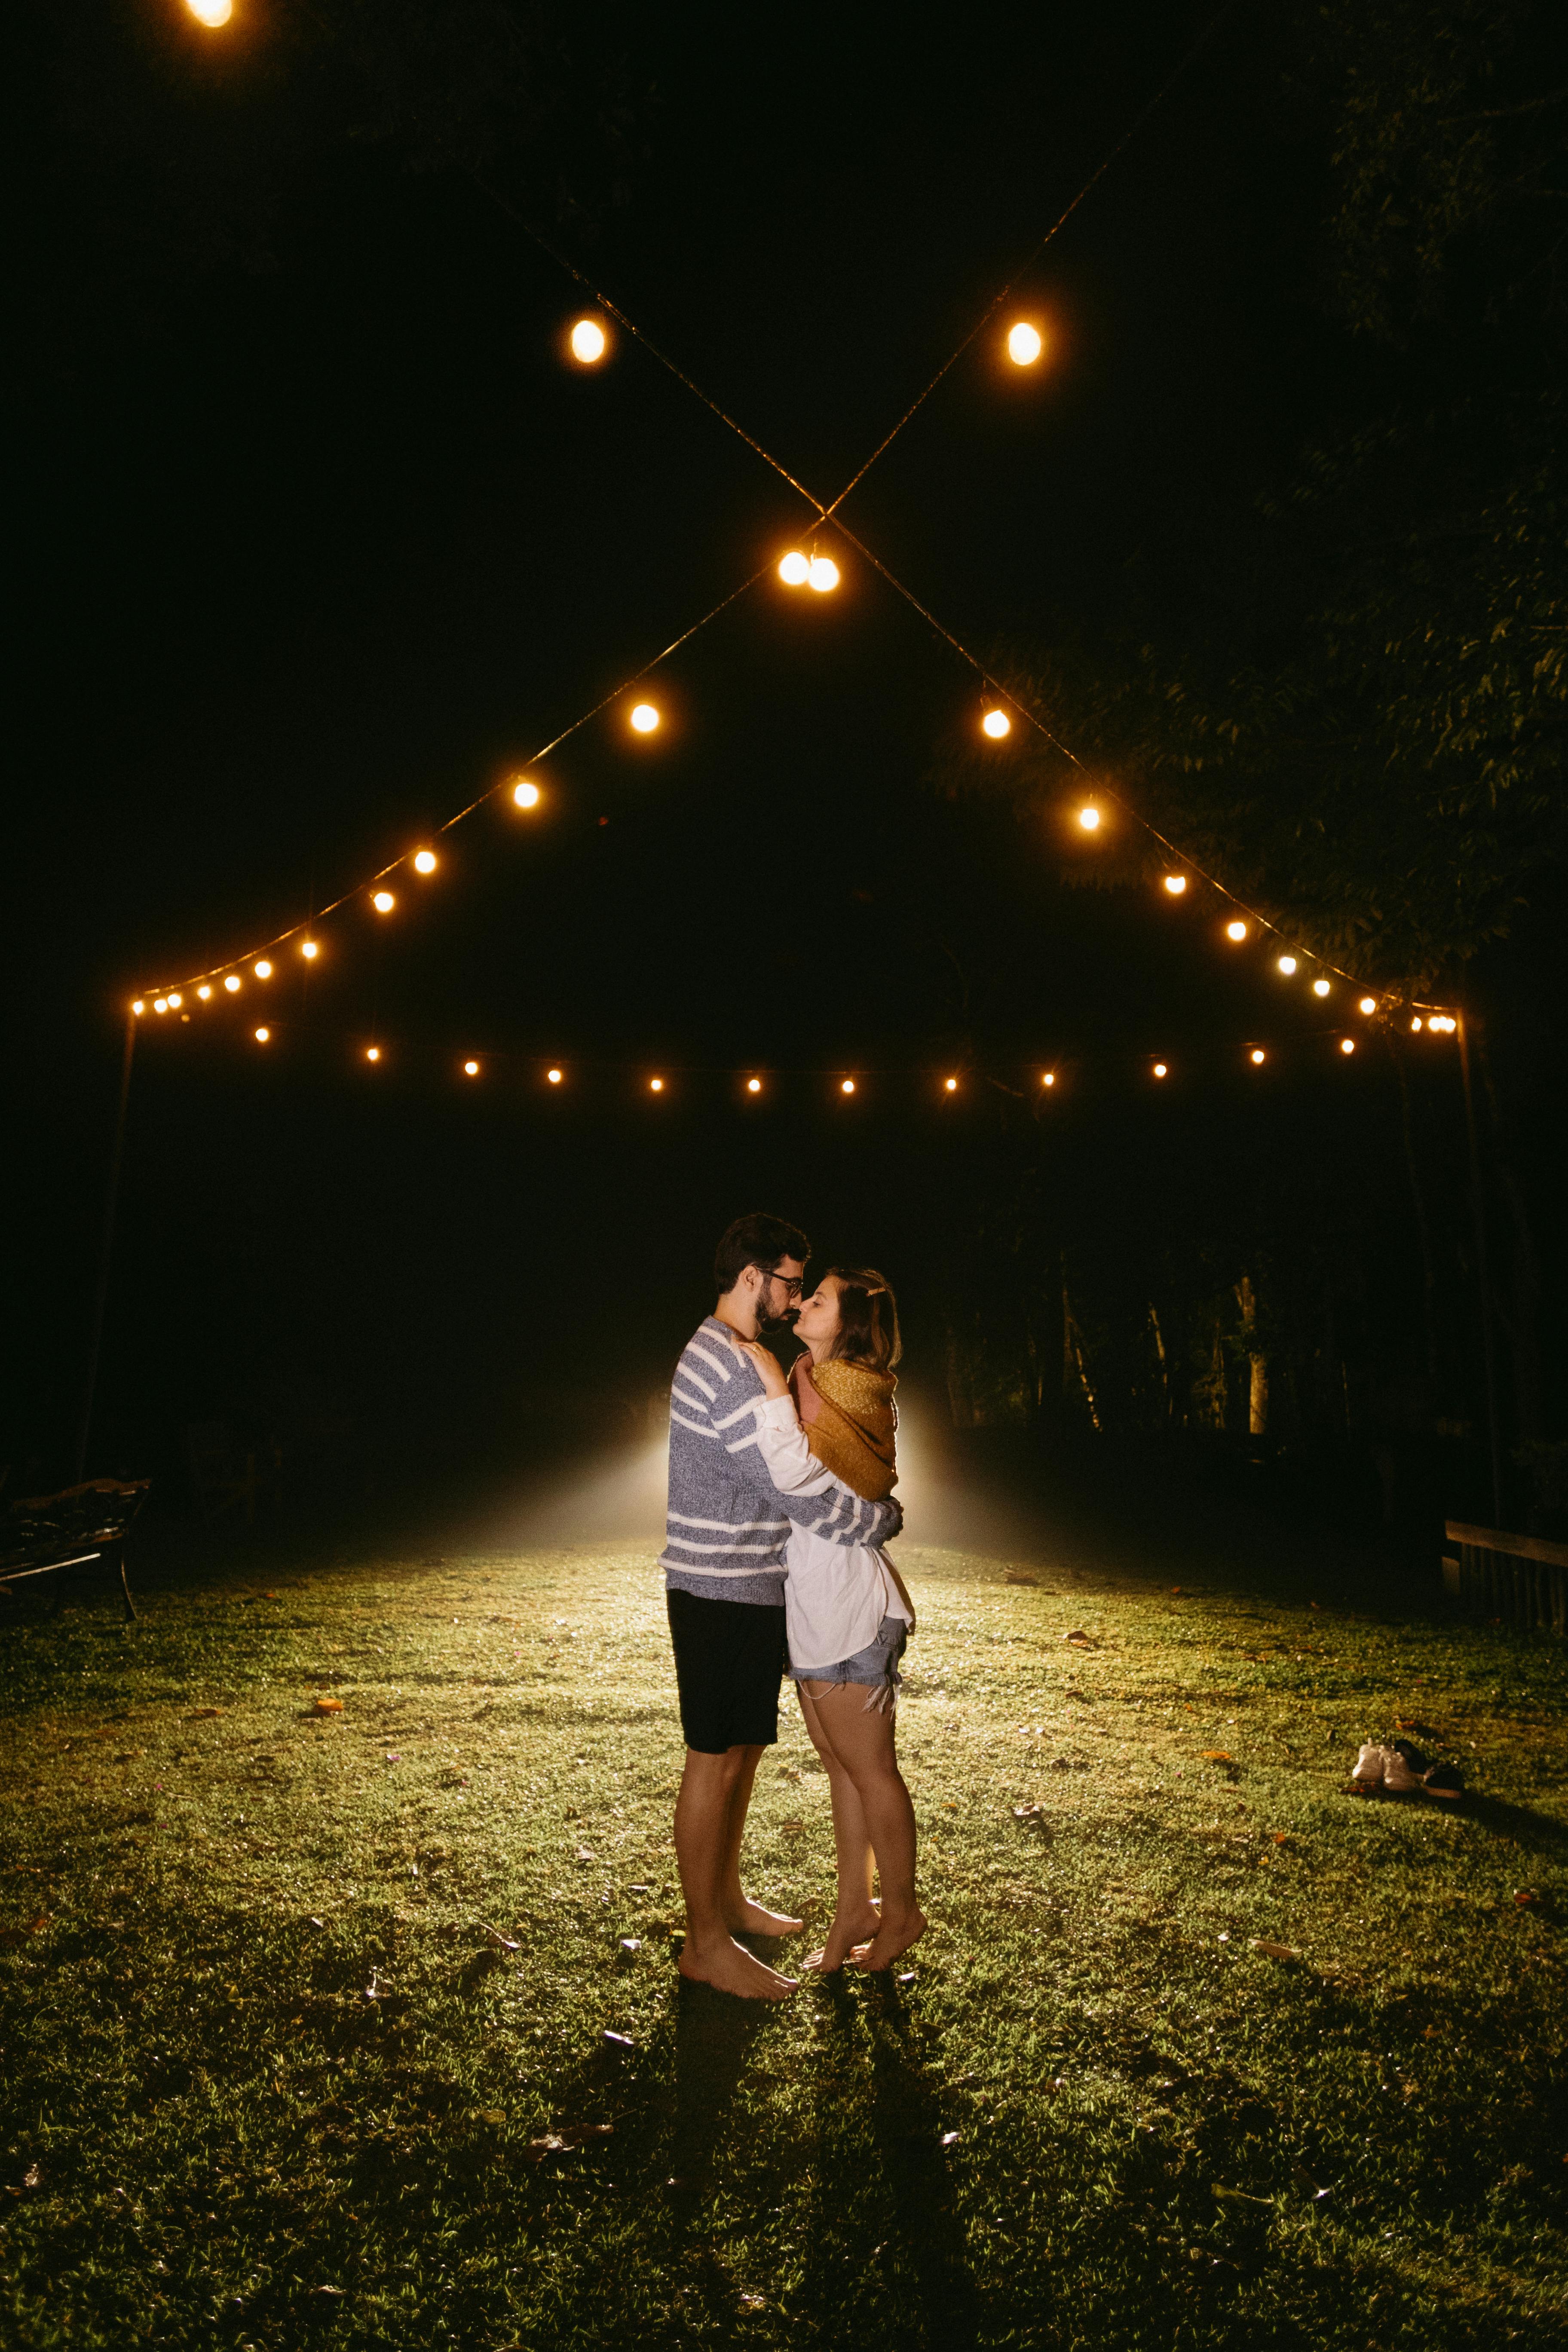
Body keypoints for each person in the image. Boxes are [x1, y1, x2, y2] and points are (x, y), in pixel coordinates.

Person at [662, 1214, 904, 2000]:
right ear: (754, 1276)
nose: (793, 1298)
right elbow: (789, 1488)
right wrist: (877, 1520)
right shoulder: (731, 1365)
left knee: (742, 1753)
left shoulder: (738, 1354)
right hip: (719, 1586)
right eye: (790, 1282)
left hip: (751, 1583)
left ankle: (725, 1901)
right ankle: (705, 1943)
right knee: (713, 1757)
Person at [731, 1268, 925, 1974]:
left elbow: (797, 1476)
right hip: (815, 1607)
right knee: (844, 1770)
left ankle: (902, 1912)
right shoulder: (812, 1373)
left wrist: (776, 1396)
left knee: (872, 1772)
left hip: (850, 1608)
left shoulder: (847, 1386)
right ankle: (856, 1909)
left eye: (819, 1299)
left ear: (847, 1324)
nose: (804, 1302)